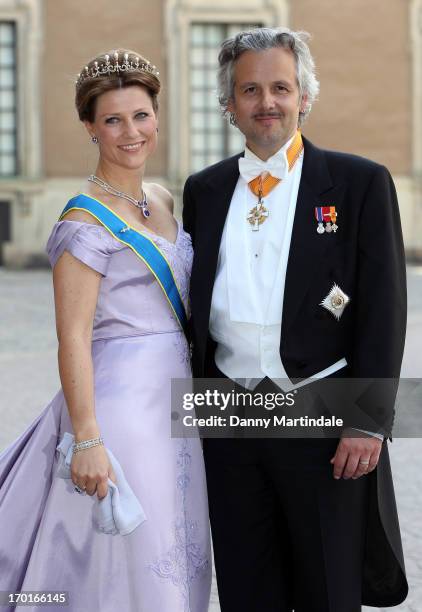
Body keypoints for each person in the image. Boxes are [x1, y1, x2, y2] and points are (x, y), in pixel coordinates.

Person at [183, 27, 408, 612]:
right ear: (228, 104)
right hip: (229, 420)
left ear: (304, 95)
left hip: (323, 418)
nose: (267, 103)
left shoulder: (360, 183)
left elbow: (385, 309)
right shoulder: (203, 192)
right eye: (249, 89)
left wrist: (367, 421)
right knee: (245, 588)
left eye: (280, 87)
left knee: (328, 590)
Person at [0, 49, 211, 612]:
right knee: (134, 567)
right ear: (90, 128)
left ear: (158, 118)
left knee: (180, 546)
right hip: (122, 412)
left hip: (179, 405)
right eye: (113, 120)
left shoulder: (163, 198)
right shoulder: (83, 219)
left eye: (140, 115)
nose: (130, 132)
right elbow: (71, 337)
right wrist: (88, 439)